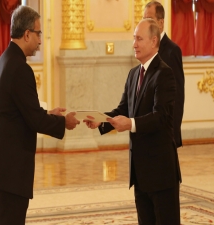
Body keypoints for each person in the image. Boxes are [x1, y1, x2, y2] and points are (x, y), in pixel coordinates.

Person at [0, 5, 80, 225]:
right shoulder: (20, 68)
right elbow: (34, 119)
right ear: (27, 34)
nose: (40, 40)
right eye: (39, 33)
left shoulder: (4, 60)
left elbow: (19, 111)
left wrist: (48, 114)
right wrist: (63, 122)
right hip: (9, 167)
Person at [85, 18, 182, 224]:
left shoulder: (164, 74)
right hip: (140, 171)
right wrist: (100, 121)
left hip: (161, 170)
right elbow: (123, 109)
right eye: (133, 38)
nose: (134, 44)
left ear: (154, 41)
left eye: (139, 39)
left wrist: (131, 124)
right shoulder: (133, 74)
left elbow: (161, 117)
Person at [144, 0, 185, 148]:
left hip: (165, 132)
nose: (145, 23)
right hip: (148, 129)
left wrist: (173, 132)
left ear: (160, 23)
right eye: (144, 19)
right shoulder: (145, 50)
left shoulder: (172, 51)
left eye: (149, 19)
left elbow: (178, 96)